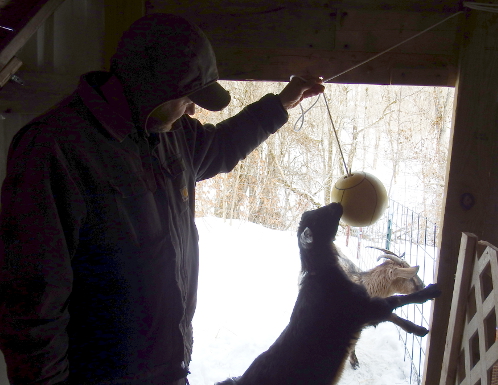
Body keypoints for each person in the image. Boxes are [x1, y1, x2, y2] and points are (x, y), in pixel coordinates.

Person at [0, 13, 323, 385]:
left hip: (169, 372)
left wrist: (282, 103)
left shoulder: (169, 131)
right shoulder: (54, 149)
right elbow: (32, 312)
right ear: (151, 90)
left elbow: (220, 146)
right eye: (187, 98)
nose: (192, 109)